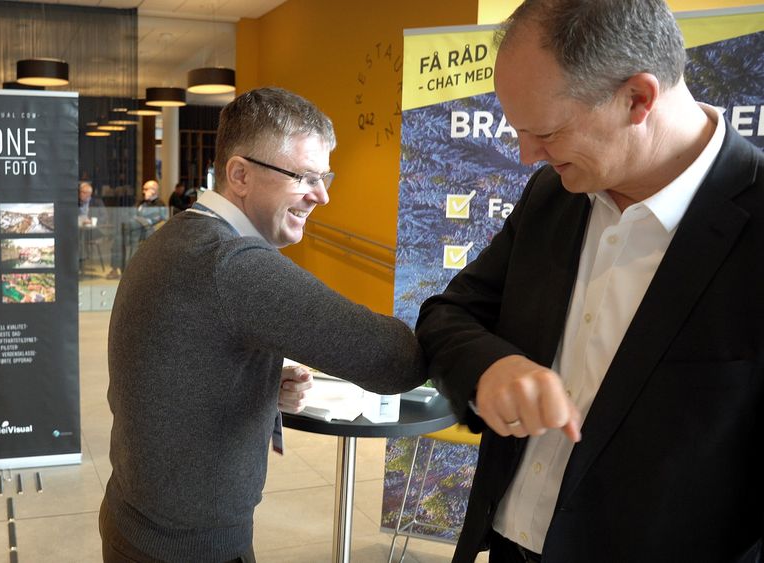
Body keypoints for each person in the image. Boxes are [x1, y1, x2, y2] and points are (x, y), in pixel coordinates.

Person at [415, 1, 764, 562]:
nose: (528, 155)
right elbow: (449, 314)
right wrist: (491, 365)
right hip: (507, 544)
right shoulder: (554, 196)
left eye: (546, 132)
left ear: (638, 98)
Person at [100, 87, 429, 562]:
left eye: (325, 175)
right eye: (304, 176)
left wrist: (261, 384)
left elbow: (169, 364)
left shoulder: (176, 236)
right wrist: (463, 322)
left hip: (134, 521)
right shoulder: (234, 265)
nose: (323, 195)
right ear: (240, 175)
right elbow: (394, 359)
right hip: (189, 547)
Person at [106, 180, 167, 280]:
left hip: (145, 231)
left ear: (154, 190)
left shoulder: (160, 203)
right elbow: (130, 213)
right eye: (143, 189)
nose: (143, 191)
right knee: (118, 239)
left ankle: (131, 271)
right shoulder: (140, 202)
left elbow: (161, 219)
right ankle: (115, 269)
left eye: (146, 189)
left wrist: (143, 220)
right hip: (132, 229)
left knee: (133, 241)